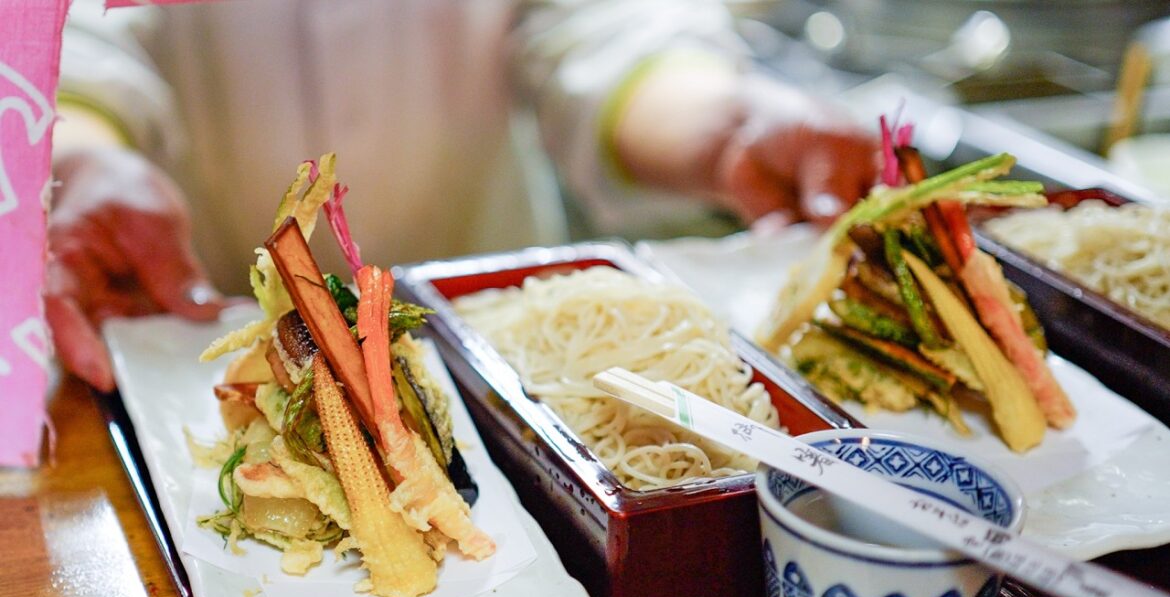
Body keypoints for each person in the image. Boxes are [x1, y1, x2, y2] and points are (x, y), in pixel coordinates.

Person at [49, 0, 878, 393]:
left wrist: (728, 126)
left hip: (506, 346)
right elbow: (70, 36)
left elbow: (604, 23)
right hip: (203, 331)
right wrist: (76, 159)